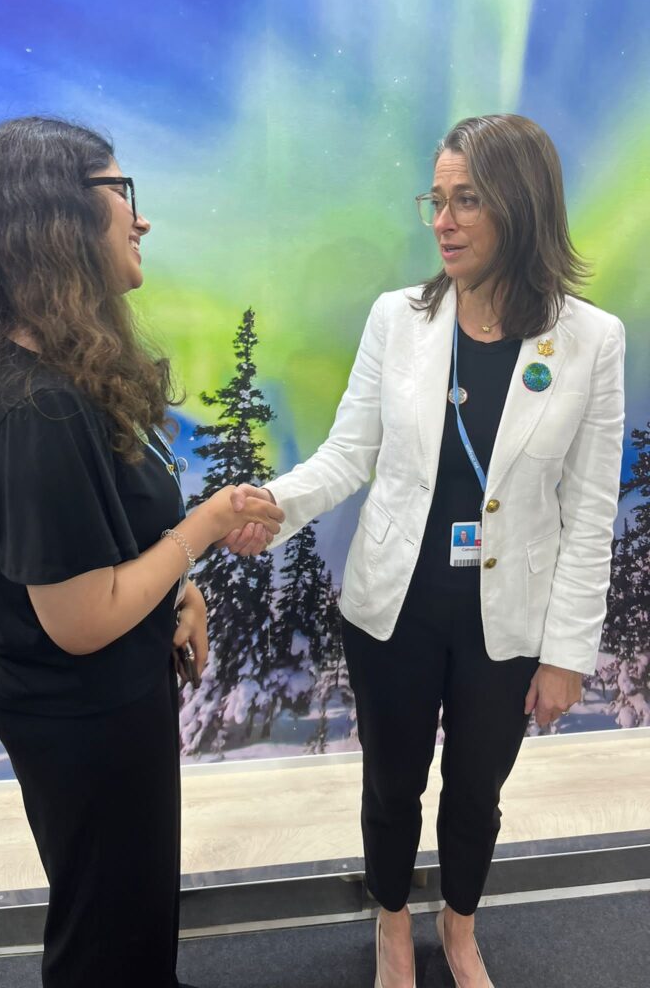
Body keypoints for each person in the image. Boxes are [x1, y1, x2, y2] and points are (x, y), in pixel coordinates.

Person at [225, 114, 624, 988]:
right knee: (391, 783)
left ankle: (462, 924)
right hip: (394, 605)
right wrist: (275, 504)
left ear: (519, 207)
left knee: (476, 793)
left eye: (466, 200)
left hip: (506, 620)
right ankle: (394, 924)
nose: (442, 221)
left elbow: (590, 510)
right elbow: (347, 455)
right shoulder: (396, 320)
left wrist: (566, 654)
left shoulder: (592, 340)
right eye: (435, 201)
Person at [0, 117, 283, 988]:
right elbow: (79, 619)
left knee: (124, 913)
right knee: (107, 937)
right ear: (60, 219)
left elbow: (97, 553)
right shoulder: (38, 407)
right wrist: (204, 527)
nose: (138, 220)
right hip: (83, 712)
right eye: (122, 195)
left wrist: (174, 586)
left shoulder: (43, 375)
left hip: (93, 704)